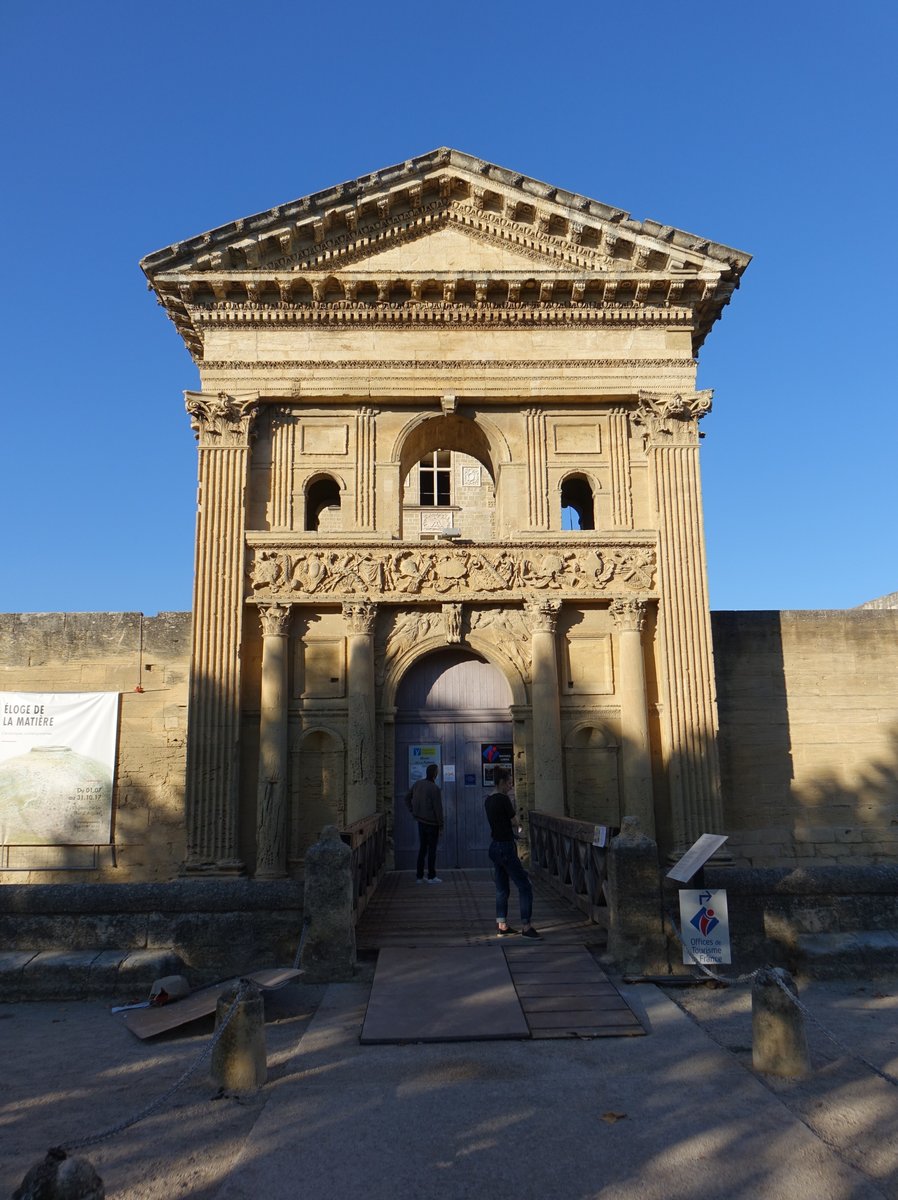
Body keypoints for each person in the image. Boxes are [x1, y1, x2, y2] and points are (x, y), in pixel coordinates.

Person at [484, 766, 540, 938]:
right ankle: (526, 926)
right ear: (501, 782)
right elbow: (514, 821)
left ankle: (502, 924)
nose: (511, 786)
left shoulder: (488, 800)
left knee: (502, 888)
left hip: (494, 846)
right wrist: (520, 826)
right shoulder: (503, 799)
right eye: (509, 783)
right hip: (506, 847)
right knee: (525, 886)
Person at [405, 763, 444, 883]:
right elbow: (438, 809)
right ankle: (432, 876)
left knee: (422, 849)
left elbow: (407, 798)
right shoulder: (434, 788)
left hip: (421, 822)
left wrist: (412, 810)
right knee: (432, 850)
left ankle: (419, 876)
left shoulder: (418, 784)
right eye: (437, 772)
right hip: (432, 824)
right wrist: (441, 825)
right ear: (435, 774)